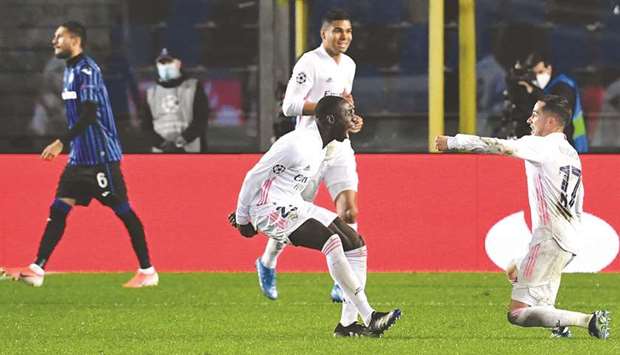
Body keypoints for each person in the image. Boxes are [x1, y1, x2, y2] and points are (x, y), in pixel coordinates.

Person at [435, 95, 610, 340]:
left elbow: (498, 146)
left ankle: (589, 320)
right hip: (568, 239)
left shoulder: (542, 145)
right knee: (516, 271)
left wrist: (454, 142)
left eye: (535, 114)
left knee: (517, 314)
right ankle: (559, 326)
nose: (530, 119)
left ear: (550, 122)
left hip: (549, 238)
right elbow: (579, 199)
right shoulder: (571, 153)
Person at [0, 21, 157, 288]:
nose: (54, 41)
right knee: (58, 208)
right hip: (79, 158)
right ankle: (37, 268)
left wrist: (62, 141)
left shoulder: (88, 70)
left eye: (59, 37)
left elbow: (89, 113)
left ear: (75, 40)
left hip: (100, 156)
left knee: (123, 210)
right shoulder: (69, 70)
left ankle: (148, 271)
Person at [229, 95, 400, 337]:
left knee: (355, 243)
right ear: (330, 119)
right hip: (267, 208)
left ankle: (347, 325)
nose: (352, 119)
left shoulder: (324, 145)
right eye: (347, 114)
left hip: (291, 203)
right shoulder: (297, 145)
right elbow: (253, 177)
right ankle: (370, 315)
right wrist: (244, 218)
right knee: (332, 242)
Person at [255, 8, 363, 303]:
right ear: (323, 33)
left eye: (349, 31)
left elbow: (344, 104)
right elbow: (289, 105)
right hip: (309, 150)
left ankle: (344, 282)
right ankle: (268, 261)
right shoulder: (310, 62)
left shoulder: (349, 65)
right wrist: (329, 109)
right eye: (338, 30)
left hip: (339, 147)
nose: (344, 36)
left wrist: (350, 118)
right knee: (292, 215)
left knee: (350, 211)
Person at [518, 52, 588, 152]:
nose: (537, 77)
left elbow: (558, 109)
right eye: (534, 74)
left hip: (572, 141)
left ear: (549, 68)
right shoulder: (549, 86)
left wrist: (533, 91)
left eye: (540, 72)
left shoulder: (564, 85)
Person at [143, 48, 209, 153]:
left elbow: (201, 119)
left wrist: (183, 139)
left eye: (169, 62)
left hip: (190, 151)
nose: (165, 67)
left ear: (178, 63)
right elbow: (145, 125)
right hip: (161, 153)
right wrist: (160, 143)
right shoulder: (151, 93)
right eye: (162, 63)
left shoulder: (193, 87)